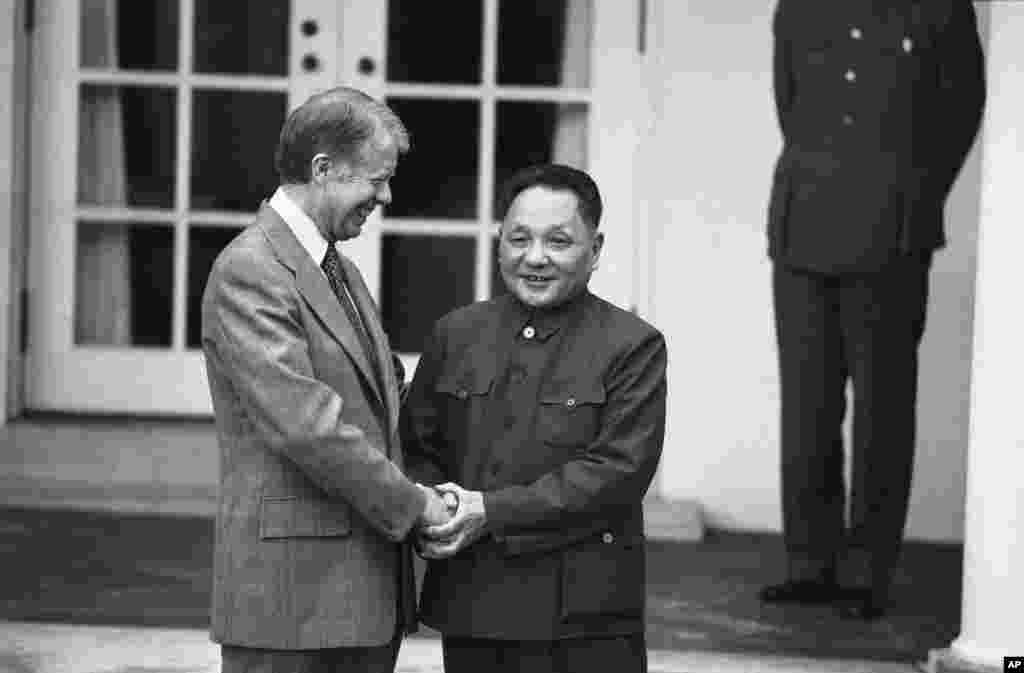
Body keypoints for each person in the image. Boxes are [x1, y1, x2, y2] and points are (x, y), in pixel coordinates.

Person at [200, 86, 452, 672]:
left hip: (359, 599)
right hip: (290, 605)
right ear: (322, 169)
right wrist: (416, 504)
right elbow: (308, 428)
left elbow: (380, 404)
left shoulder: (341, 269)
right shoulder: (251, 270)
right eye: (376, 179)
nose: (386, 196)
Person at [762, 0, 985, 620]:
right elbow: (792, 105)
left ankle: (867, 571)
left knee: (883, 409)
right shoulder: (799, 8)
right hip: (804, 222)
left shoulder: (940, 10)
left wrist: (909, 191)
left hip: (892, 230)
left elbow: (959, 113)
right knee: (808, 404)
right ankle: (810, 564)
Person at [400, 164, 666, 673]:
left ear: (596, 248)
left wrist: (492, 511)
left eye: (559, 241)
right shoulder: (456, 334)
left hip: (586, 617)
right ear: (500, 241)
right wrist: (439, 505)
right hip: (475, 605)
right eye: (519, 238)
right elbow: (417, 446)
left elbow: (618, 472)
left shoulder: (632, 345)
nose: (535, 258)